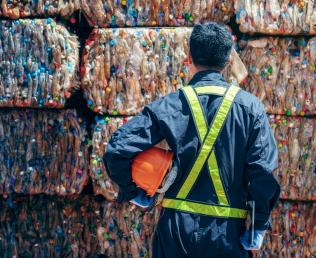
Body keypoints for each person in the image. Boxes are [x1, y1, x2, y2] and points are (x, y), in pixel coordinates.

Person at [103, 22, 280, 258]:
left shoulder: (170, 104)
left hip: (176, 233)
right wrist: (258, 225)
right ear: (228, 60)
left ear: (189, 57)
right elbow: (263, 173)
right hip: (226, 235)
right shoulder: (250, 108)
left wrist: (133, 191)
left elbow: (117, 149)